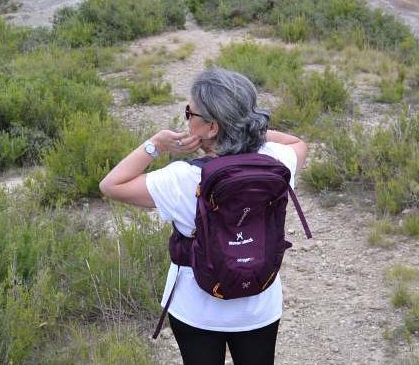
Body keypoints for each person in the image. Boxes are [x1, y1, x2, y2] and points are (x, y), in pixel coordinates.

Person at [99, 67, 308, 365]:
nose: (186, 119)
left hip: (196, 308)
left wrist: (156, 144)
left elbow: (111, 185)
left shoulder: (181, 179)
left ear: (211, 128)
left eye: (190, 113)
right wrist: (247, 131)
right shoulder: (276, 161)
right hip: (259, 302)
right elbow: (298, 143)